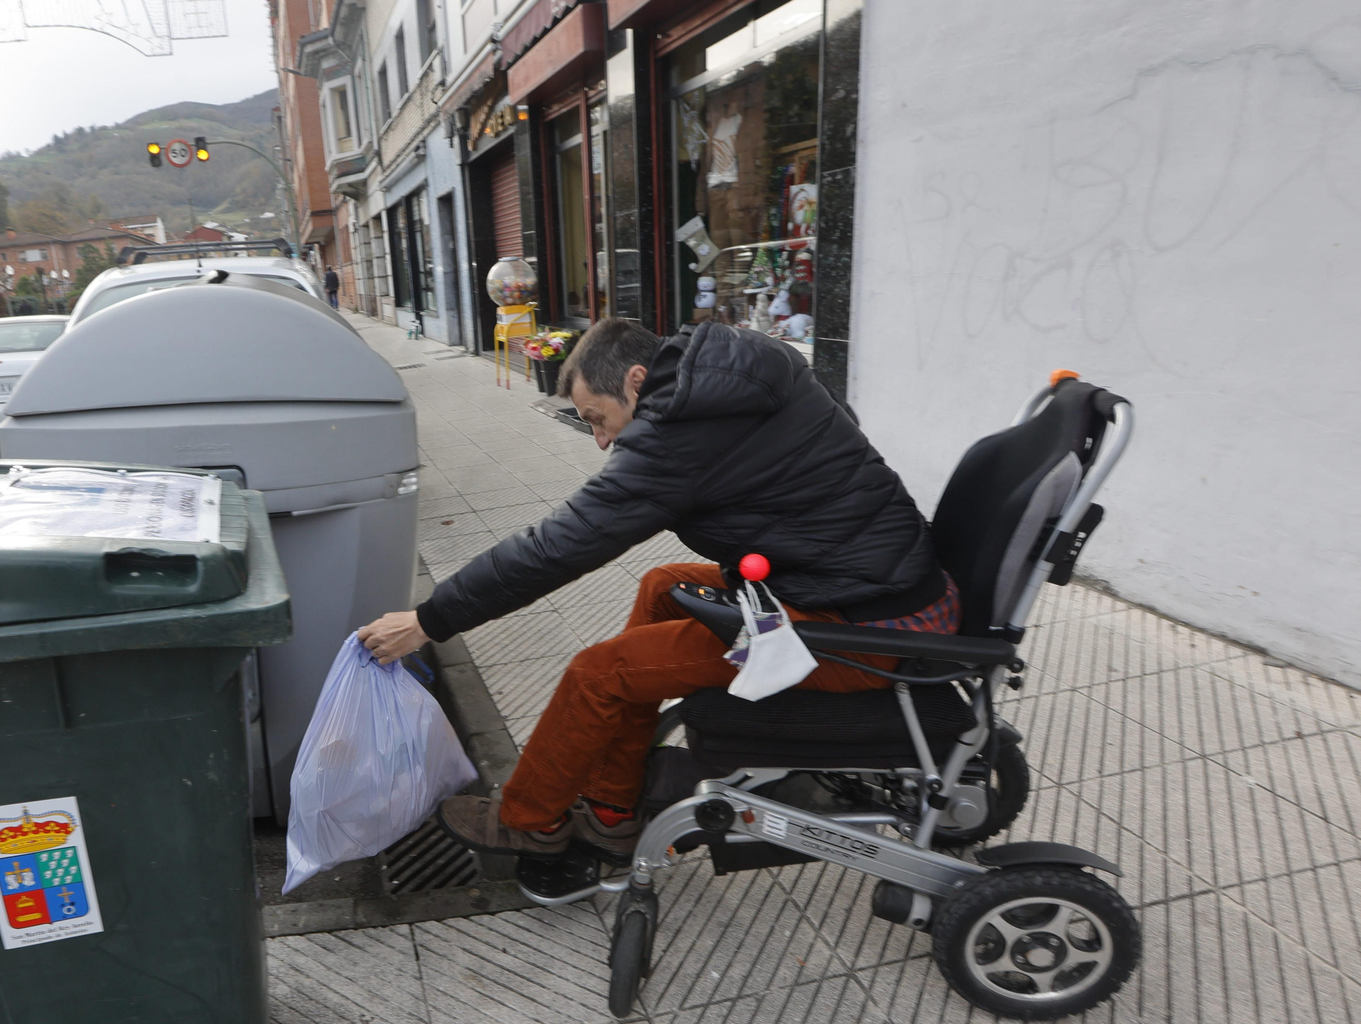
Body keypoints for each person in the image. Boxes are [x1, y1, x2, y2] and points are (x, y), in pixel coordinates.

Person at [357, 318, 958, 860]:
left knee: (598, 672)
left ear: (638, 380)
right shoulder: (731, 369)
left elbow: (556, 546)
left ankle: (528, 820)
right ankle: (615, 806)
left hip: (862, 630)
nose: (599, 440)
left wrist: (430, 620)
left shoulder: (679, 434)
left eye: (597, 418)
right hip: (873, 584)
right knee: (663, 584)